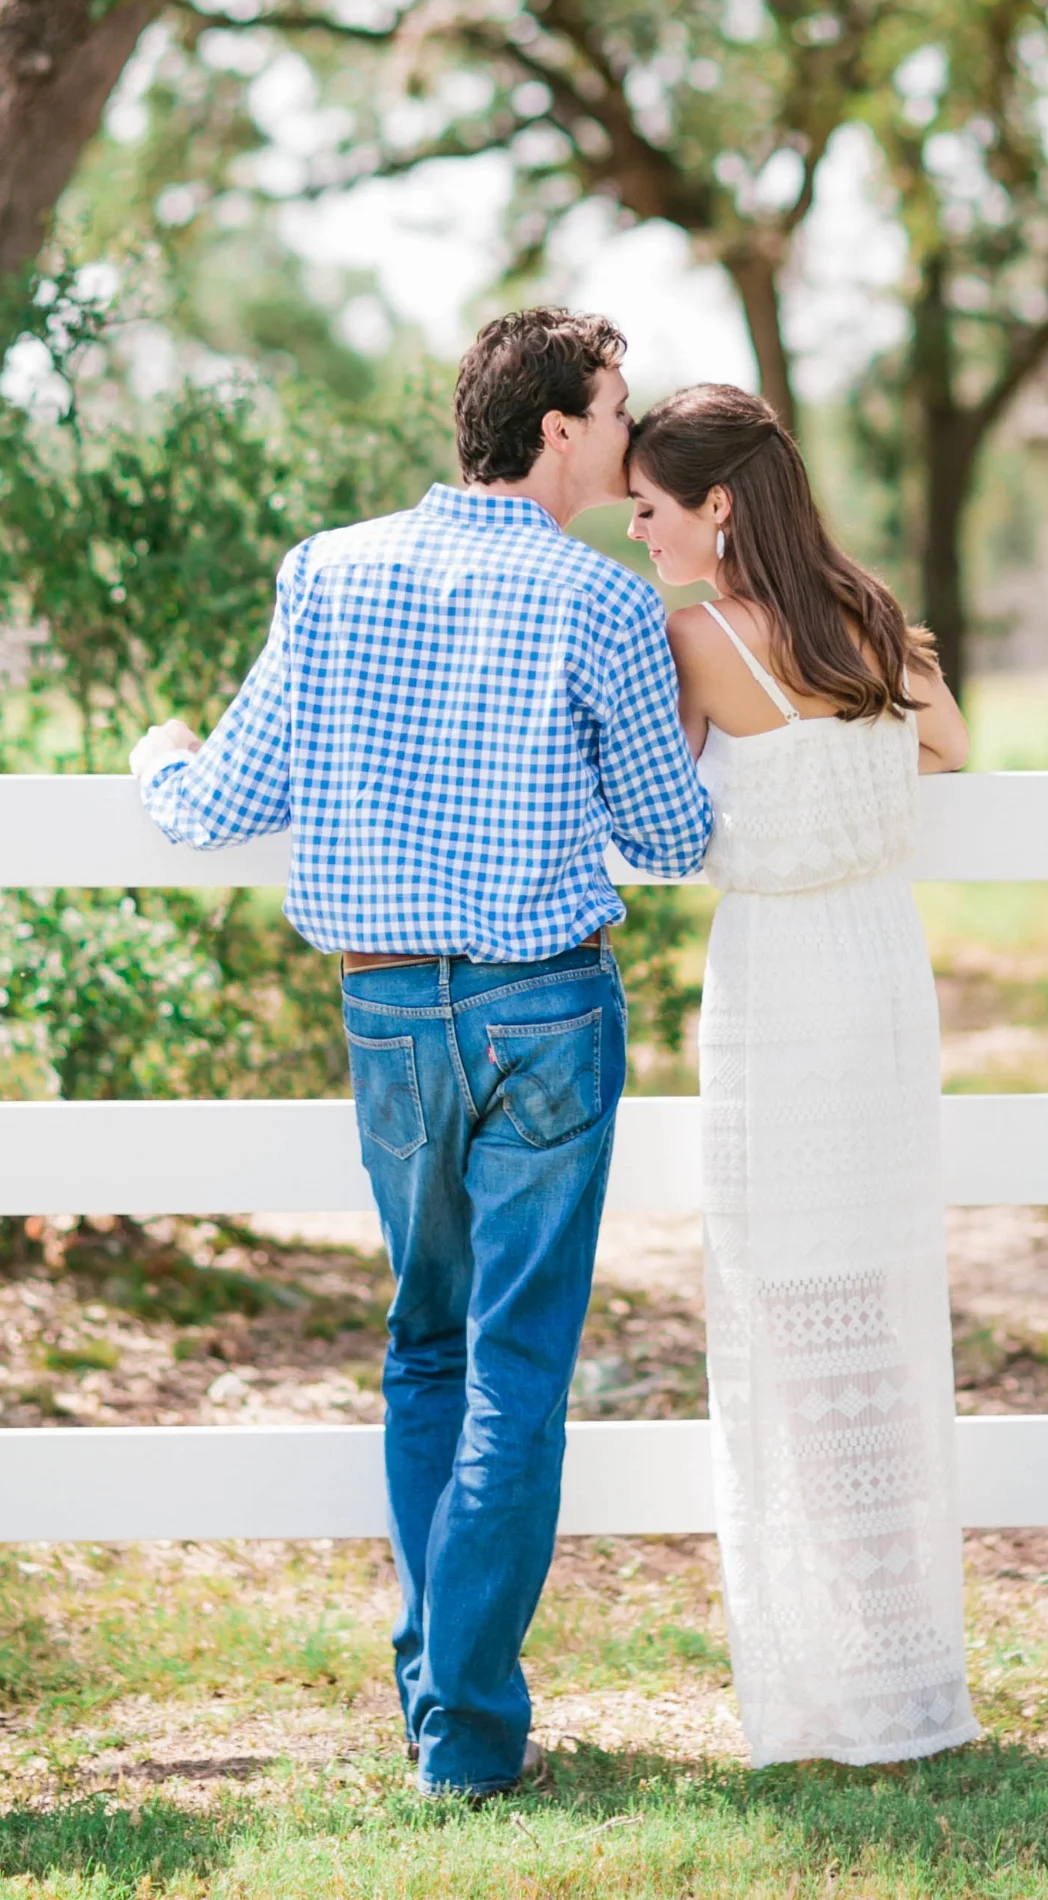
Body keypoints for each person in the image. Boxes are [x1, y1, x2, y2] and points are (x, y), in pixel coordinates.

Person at [129, 309, 711, 1801]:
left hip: (389, 1012)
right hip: (543, 1011)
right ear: (557, 433)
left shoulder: (328, 571)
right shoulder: (596, 606)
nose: (631, 433)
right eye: (616, 406)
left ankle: (438, 1697)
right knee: (513, 1367)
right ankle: (461, 1725)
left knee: (424, 1347)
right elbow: (667, 834)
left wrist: (154, 755)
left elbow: (221, 797)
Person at [626, 382, 979, 1769]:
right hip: (879, 975)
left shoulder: (695, 636)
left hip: (776, 985)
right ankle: (898, 1652)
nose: (638, 532)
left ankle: (838, 1667)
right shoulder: (866, 617)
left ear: (715, 506)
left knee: (789, 1307)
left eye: (650, 509)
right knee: (875, 1304)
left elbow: (656, 813)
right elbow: (946, 744)